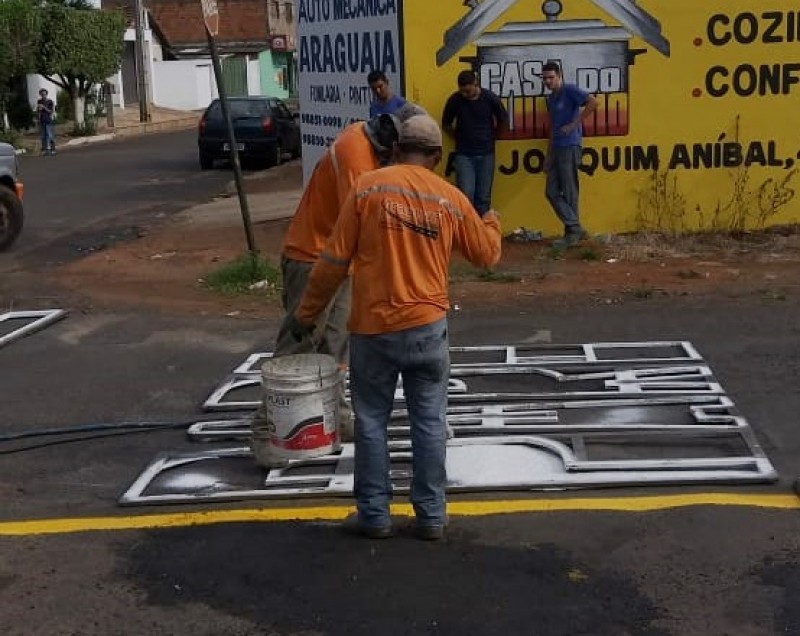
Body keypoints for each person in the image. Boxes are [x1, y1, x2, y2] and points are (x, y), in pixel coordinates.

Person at [290, 114, 502, 540]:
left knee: (371, 421)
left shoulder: (367, 188)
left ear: (395, 148)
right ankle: (431, 516)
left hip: (373, 329)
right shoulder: (449, 196)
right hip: (426, 327)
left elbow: (331, 263)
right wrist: (492, 222)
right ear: (437, 156)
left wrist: (306, 315)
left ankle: (374, 516)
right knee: (428, 420)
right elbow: (486, 256)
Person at [268, 102, 426, 444]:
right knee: (300, 342)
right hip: (312, 258)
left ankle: (335, 416)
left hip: (340, 262)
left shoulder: (372, 148)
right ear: (392, 141)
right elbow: (366, 228)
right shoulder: (356, 157)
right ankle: (267, 428)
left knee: (336, 344)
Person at [542, 61, 598, 247]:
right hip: (557, 148)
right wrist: (548, 156)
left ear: (559, 76)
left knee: (569, 190)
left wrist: (575, 124)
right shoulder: (551, 99)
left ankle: (572, 235)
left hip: (570, 145)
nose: (548, 81)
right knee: (551, 191)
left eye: (551, 77)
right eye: (545, 78)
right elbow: (552, 127)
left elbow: (593, 102)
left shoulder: (570, 90)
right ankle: (575, 228)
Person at [441, 69, 507, 216]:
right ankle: (466, 233)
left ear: (475, 84)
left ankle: (481, 233)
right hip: (464, 154)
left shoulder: (490, 98)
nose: (464, 95)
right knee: (465, 196)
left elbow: (503, 119)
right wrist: (458, 137)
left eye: (468, 91)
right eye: (462, 91)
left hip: (486, 153)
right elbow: (446, 123)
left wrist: (493, 137)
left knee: (483, 198)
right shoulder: (455, 100)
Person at [36, 89, 56, 156]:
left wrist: (44, 107)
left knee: (49, 135)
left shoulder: (50, 101)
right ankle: (44, 149)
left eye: (44, 94)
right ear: (40, 94)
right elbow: (39, 111)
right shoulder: (39, 101)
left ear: (46, 94)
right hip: (42, 120)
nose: (43, 95)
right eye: (42, 94)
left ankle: (52, 149)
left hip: (48, 120)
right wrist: (38, 118)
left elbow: (51, 111)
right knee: (43, 136)